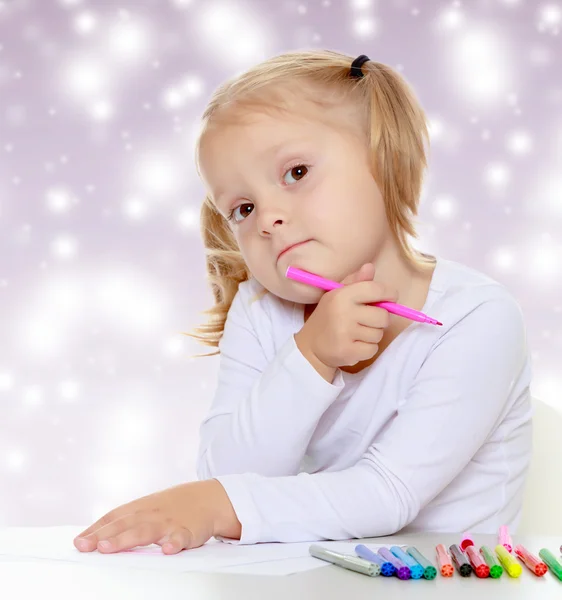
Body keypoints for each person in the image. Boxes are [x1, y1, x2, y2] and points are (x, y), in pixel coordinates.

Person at [73, 50, 532, 555]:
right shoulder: (260, 310)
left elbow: (389, 493)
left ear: (383, 158)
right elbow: (230, 474)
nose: (266, 217)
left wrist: (214, 505)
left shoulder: (478, 317)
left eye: (295, 173)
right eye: (242, 208)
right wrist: (309, 357)